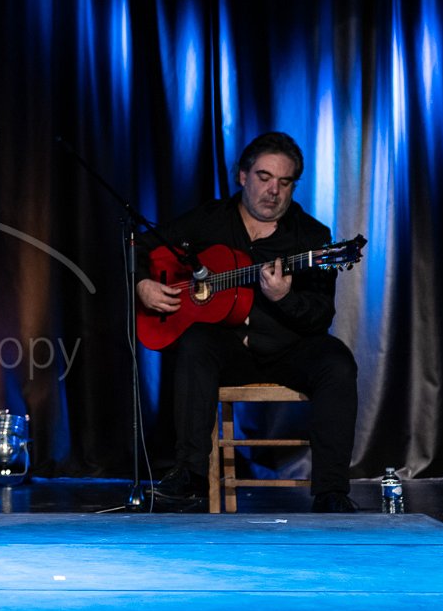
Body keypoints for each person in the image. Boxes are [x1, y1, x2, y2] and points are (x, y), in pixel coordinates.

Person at [136, 131, 360, 512]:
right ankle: (189, 476)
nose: (274, 191)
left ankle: (331, 493)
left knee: (337, 362)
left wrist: (284, 298)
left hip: (287, 349)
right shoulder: (210, 220)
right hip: (227, 350)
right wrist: (143, 284)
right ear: (243, 176)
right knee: (195, 343)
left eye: (284, 182)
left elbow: (321, 315)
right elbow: (142, 246)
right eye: (264, 177)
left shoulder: (312, 237)